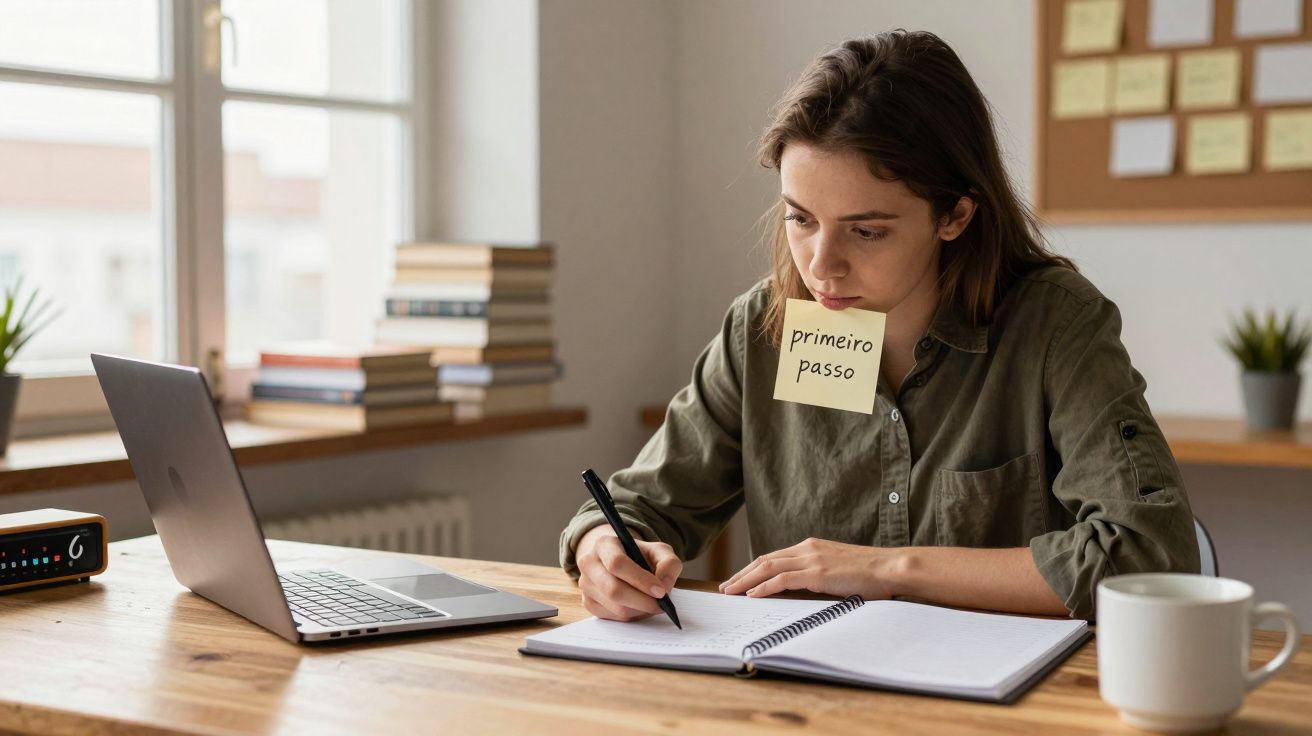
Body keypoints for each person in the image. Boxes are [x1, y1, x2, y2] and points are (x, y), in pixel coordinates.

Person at [559, 30, 1199, 623]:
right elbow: (635, 510)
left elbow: (1150, 556)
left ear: (954, 215)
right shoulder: (762, 330)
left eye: (866, 230)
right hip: (802, 696)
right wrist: (601, 549)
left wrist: (887, 570)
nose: (821, 265)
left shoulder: (1055, 325)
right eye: (800, 218)